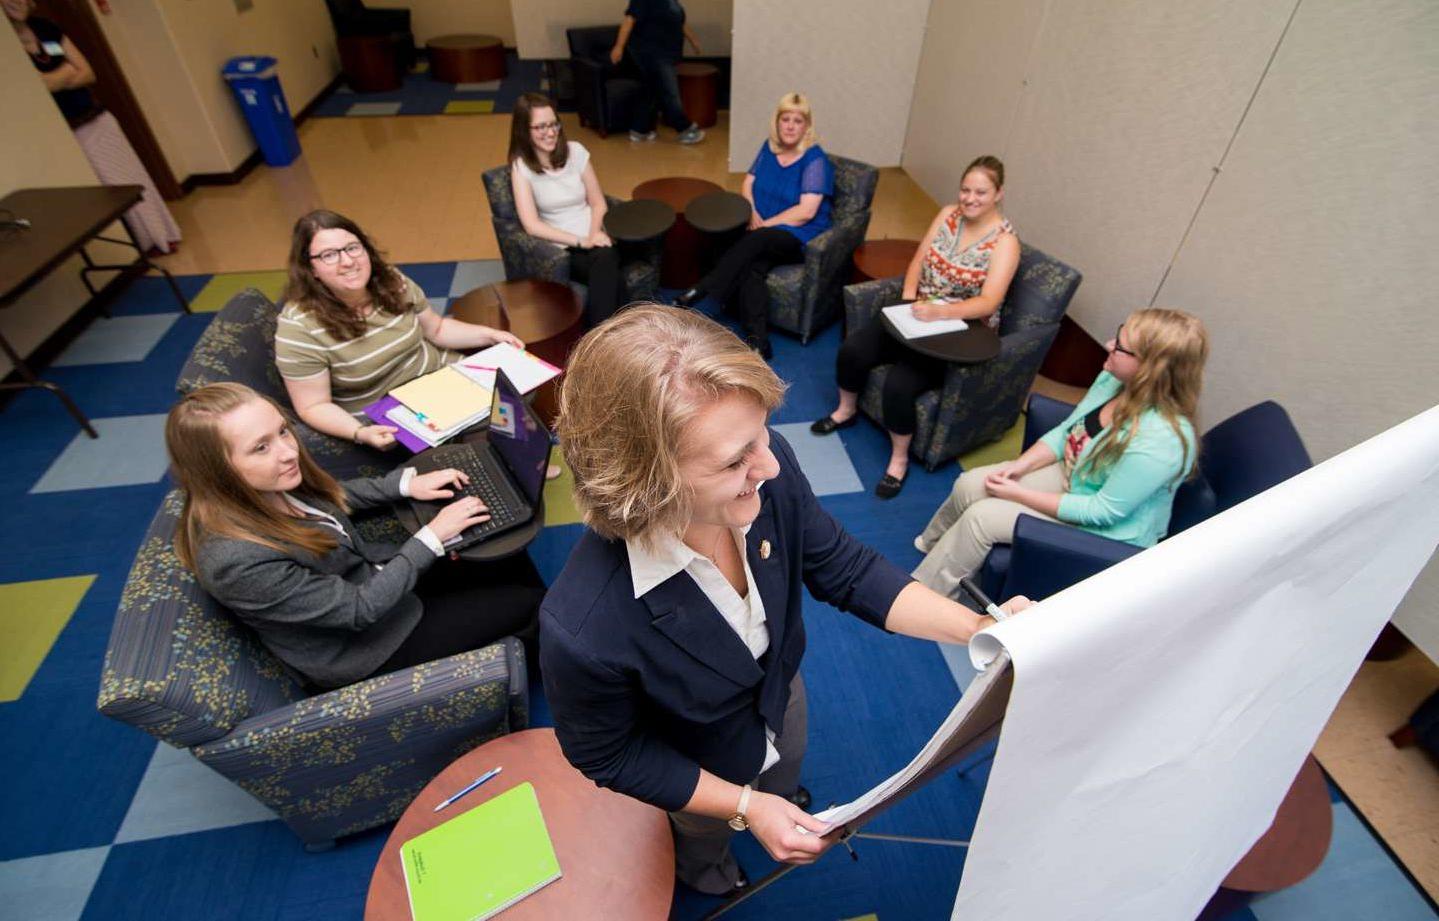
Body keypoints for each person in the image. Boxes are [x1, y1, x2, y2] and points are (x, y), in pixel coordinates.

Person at [539, 305, 1029, 896]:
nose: (770, 464)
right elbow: (611, 756)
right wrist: (743, 806)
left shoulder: (766, 472)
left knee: (786, 763)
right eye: (733, 460)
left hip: (780, 687)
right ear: (645, 482)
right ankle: (707, 868)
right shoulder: (583, 628)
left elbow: (845, 568)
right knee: (703, 837)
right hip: (696, 758)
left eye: (762, 434)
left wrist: (983, 627)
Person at [167, 382, 546, 689]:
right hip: (366, 646)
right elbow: (357, 611)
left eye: (282, 431)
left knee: (501, 551)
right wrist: (432, 536)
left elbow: (331, 497)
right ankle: (549, 665)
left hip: (373, 578)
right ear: (218, 470)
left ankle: (541, 639)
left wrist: (405, 485)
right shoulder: (236, 560)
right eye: (261, 447)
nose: (288, 452)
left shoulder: (260, 483)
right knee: (529, 601)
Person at [912, 308, 1209, 597]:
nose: (1108, 345)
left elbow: (1101, 512)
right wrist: (1020, 466)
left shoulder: (1162, 441)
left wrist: (1016, 493)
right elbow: (1069, 431)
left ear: (1149, 369)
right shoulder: (1115, 379)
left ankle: (927, 597)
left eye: (1120, 347)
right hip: (1078, 473)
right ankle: (931, 546)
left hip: (1106, 527)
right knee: (971, 484)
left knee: (982, 518)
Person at [813, 155, 1019, 498]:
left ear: (998, 194)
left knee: (899, 385)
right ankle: (845, 410)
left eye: (980, 192)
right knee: (853, 349)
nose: (969, 198)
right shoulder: (948, 214)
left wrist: (941, 313)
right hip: (920, 313)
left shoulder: (1005, 242)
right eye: (965, 189)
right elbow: (919, 261)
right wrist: (908, 302)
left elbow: (989, 302)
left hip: (959, 332)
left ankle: (899, 461)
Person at [275, 209, 523, 451]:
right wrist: (359, 432)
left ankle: (516, 462)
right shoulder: (299, 327)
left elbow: (436, 328)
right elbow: (313, 406)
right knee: (488, 417)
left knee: (513, 388)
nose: (347, 261)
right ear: (311, 269)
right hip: (390, 409)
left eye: (352, 248)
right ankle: (502, 462)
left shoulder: (391, 281)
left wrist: (490, 335)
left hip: (437, 375)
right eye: (329, 255)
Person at [7, 0, 181, 254]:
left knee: (131, 179)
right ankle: (137, 248)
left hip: (96, 119)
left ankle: (161, 236)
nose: (15, 3)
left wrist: (55, 80)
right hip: (65, 133)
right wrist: (65, 74)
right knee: (102, 193)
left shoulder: (45, 27)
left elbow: (88, 73)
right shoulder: (8, 49)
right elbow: (38, 86)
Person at [675, 92, 833, 358]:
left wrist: (765, 224)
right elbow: (748, 182)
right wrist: (752, 212)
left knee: (757, 241)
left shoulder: (815, 159)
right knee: (753, 268)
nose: (791, 126)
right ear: (778, 122)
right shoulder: (769, 148)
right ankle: (759, 342)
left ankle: (703, 288)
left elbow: (806, 212)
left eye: (798, 120)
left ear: (807, 126)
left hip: (796, 235)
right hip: (760, 227)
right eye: (786, 119)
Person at [508, 93, 627, 328]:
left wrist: (593, 234)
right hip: (563, 248)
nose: (551, 133)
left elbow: (598, 202)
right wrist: (581, 241)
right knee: (608, 261)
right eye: (540, 127)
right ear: (524, 130)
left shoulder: (576, 151)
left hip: (596, 235)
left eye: (553, 124)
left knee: (607, 259)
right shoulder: (521, 168)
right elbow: (532, 225)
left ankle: (603, 338)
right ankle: (608, 335)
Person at [609, 0, 705, 144]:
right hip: (652, 53)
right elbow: (629, 21)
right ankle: (685, 129)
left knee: (651, 92)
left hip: (668, 53)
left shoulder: (672, 2)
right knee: (669, 91)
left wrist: (694, 41)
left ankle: (639, 130)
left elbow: (680, 23)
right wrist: (618, 47)